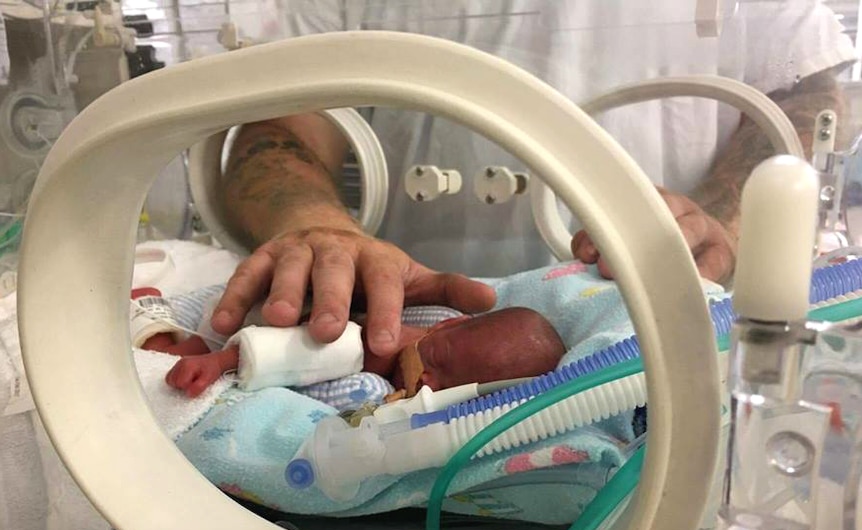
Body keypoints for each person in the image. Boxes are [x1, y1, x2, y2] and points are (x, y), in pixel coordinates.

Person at [208, 1, 855, 358]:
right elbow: (274, 132)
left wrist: (718, 216)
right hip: (403, 335)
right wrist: (314, 227)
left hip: (662, 332)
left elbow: (803, 98)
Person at [150, 306, 566, 398]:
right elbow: (297, 349)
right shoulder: (383, 346)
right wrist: (218, 362)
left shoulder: (409, 386)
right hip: (255, 325)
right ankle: (156, 325)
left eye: (450, 386)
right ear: (447, 324)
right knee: (170, 357)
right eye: (436, 358)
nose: (427, 378)